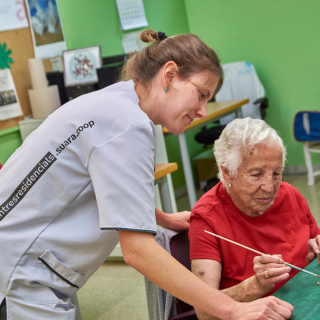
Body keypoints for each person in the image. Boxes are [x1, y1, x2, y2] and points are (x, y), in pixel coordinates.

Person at [0, 30, 293, 320]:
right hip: (19, 274)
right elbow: (138, 252)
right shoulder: (129, 125)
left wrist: (159, 217)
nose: (203, 111)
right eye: (201, 94)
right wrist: (233, 309)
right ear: (169, 75)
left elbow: (104, 185)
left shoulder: (114, 104)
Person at [189, 117, 320, 319]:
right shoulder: (207, 218)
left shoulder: (290, 195)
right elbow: (203, 311)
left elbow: (315, 244)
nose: (269, 187)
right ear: (227, 172)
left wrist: (315, 255)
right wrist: (253, 286)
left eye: (276, 173)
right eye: (256, 174)